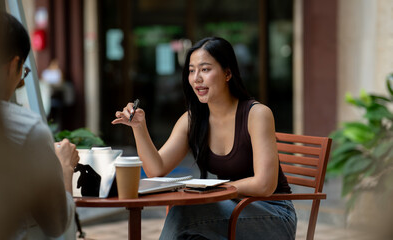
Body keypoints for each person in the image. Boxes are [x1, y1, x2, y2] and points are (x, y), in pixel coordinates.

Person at [112, 37, 297, 239]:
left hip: (273, 215)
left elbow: (264, 184)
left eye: (205, 69)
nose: (196, 78)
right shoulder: (193, 119)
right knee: (189, 224)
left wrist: (212, 191)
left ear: (227, 73)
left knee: (187, 212)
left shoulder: (257, 114)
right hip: (230, 208)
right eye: (191, 70)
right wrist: (139, 127)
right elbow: (156, 169)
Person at [0, 12, 79, 239]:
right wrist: (64, 167)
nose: (21, 82)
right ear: (12, 65)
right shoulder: (26, 129)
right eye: (23, 71)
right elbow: (56, 224)